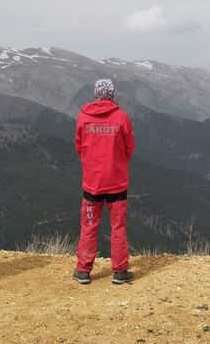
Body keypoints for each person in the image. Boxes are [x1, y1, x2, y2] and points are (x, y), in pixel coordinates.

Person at [73, 79, 135, 285]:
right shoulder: (121, 118)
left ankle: (83, 270)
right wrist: (117, 162)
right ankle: (119, 271)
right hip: (117, 182)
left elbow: (79, 147)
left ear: (96, 94)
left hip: (92, 182)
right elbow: (129, 148)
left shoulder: (83, 117)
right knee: (118, 226)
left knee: (89, 225)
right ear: (112, 94)